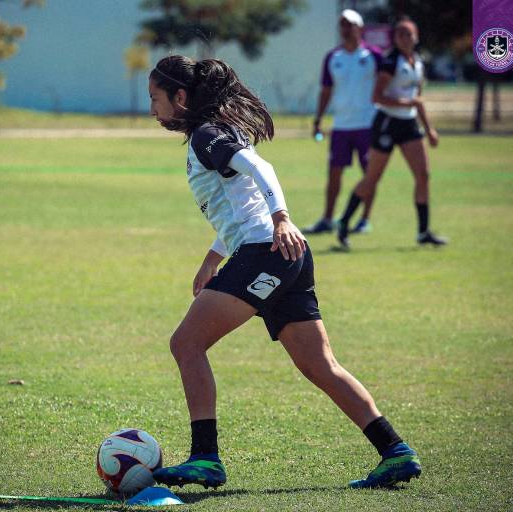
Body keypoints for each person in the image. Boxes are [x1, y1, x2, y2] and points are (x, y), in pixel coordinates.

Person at [147, 55, 421, 490]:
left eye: (156, 99)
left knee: (186, 343)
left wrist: (281, 217)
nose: (153, 109)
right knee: (318, 364)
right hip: (279, 251)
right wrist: (213, 257)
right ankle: (395, 451)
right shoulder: (214, 133)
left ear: (180, 97)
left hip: (268, 251)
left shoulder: (206, 135)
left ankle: (205, 458)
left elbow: (263, 171)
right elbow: (240, 205)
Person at [336, 18, 447, 249]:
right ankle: (344, 222)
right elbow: (377, 97)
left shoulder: (417, 62)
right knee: (372, 178)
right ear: (395, 39)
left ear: (416, 37)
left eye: (409, 34)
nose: (405, 38)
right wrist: (407, 103)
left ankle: (423, 232)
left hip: (408, 125)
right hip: (387, 122)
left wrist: (429, 129)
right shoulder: (390, 62)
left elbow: (419, 100)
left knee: (424, 175)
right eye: (400, 34)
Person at [302, 9, 381, 236]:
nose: (346, 29)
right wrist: (318, 119)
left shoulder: (374, 56)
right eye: (343, 25)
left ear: (360, 28)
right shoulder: (333, 58)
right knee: (334, 173)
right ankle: (327, 219)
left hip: (368, 125)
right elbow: (326, 91)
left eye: (350, 24)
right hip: (341, 126)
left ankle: (364, 219)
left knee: (370, 174)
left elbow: (387, 84)